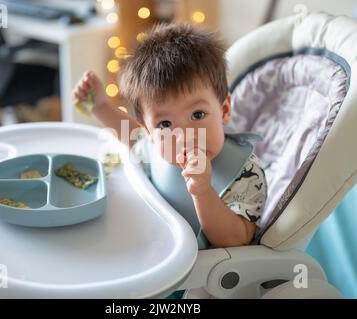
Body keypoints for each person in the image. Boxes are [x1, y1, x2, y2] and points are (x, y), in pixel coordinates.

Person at [72, 23, 267, 249]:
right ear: (149, 131)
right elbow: (133, 137)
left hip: (196, 276)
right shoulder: (156, 148)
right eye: (165, 124)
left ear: (223, 111)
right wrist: (100, 106)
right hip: (148, 244)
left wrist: (203, 192)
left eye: (197, 114)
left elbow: (237, 239)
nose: (183, 135)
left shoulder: (245, 173)